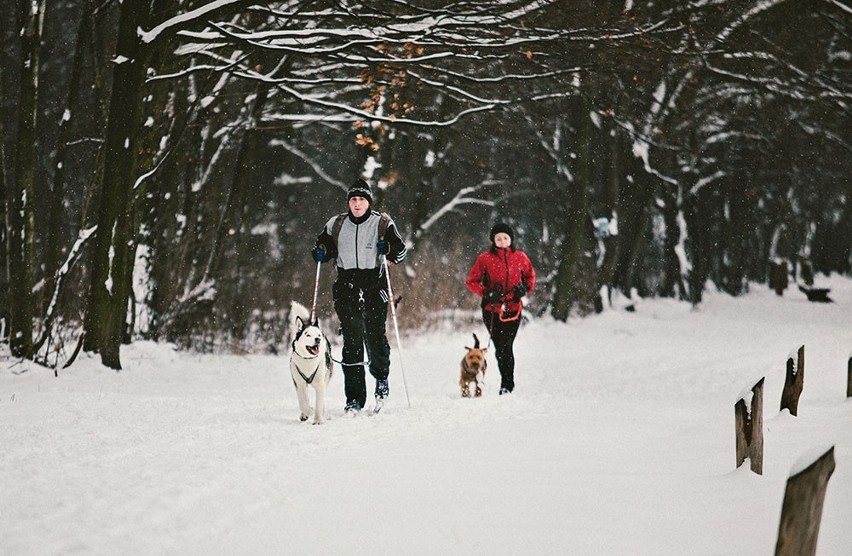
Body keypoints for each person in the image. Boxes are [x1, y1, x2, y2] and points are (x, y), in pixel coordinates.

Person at [311, 178, 407, 414]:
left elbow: (401, 252)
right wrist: (320, 251)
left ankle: (381, 378)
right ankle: (354, 398)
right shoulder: (336, 224)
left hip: (374, 285)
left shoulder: (381, 223)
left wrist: (389, 250)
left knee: (375, 337)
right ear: (348, 202)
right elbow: (323, 247)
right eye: (353, 199)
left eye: (361, 199)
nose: (357, 204)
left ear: (368, 202)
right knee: (352, 340)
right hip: (347, 285)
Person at [465, 222, 536, 395]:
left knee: (507, 345)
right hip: (492, 310)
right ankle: (504, 378)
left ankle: (507, 384)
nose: (502, 241)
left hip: (513, 309)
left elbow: (530, 277)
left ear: (510, 240)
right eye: (498, 238)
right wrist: (487, 293)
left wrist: (524, 289)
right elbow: (471, 281)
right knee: (499, 347)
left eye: (505, 238)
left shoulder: (520, 257)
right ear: (493, 240)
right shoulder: (485, 259)